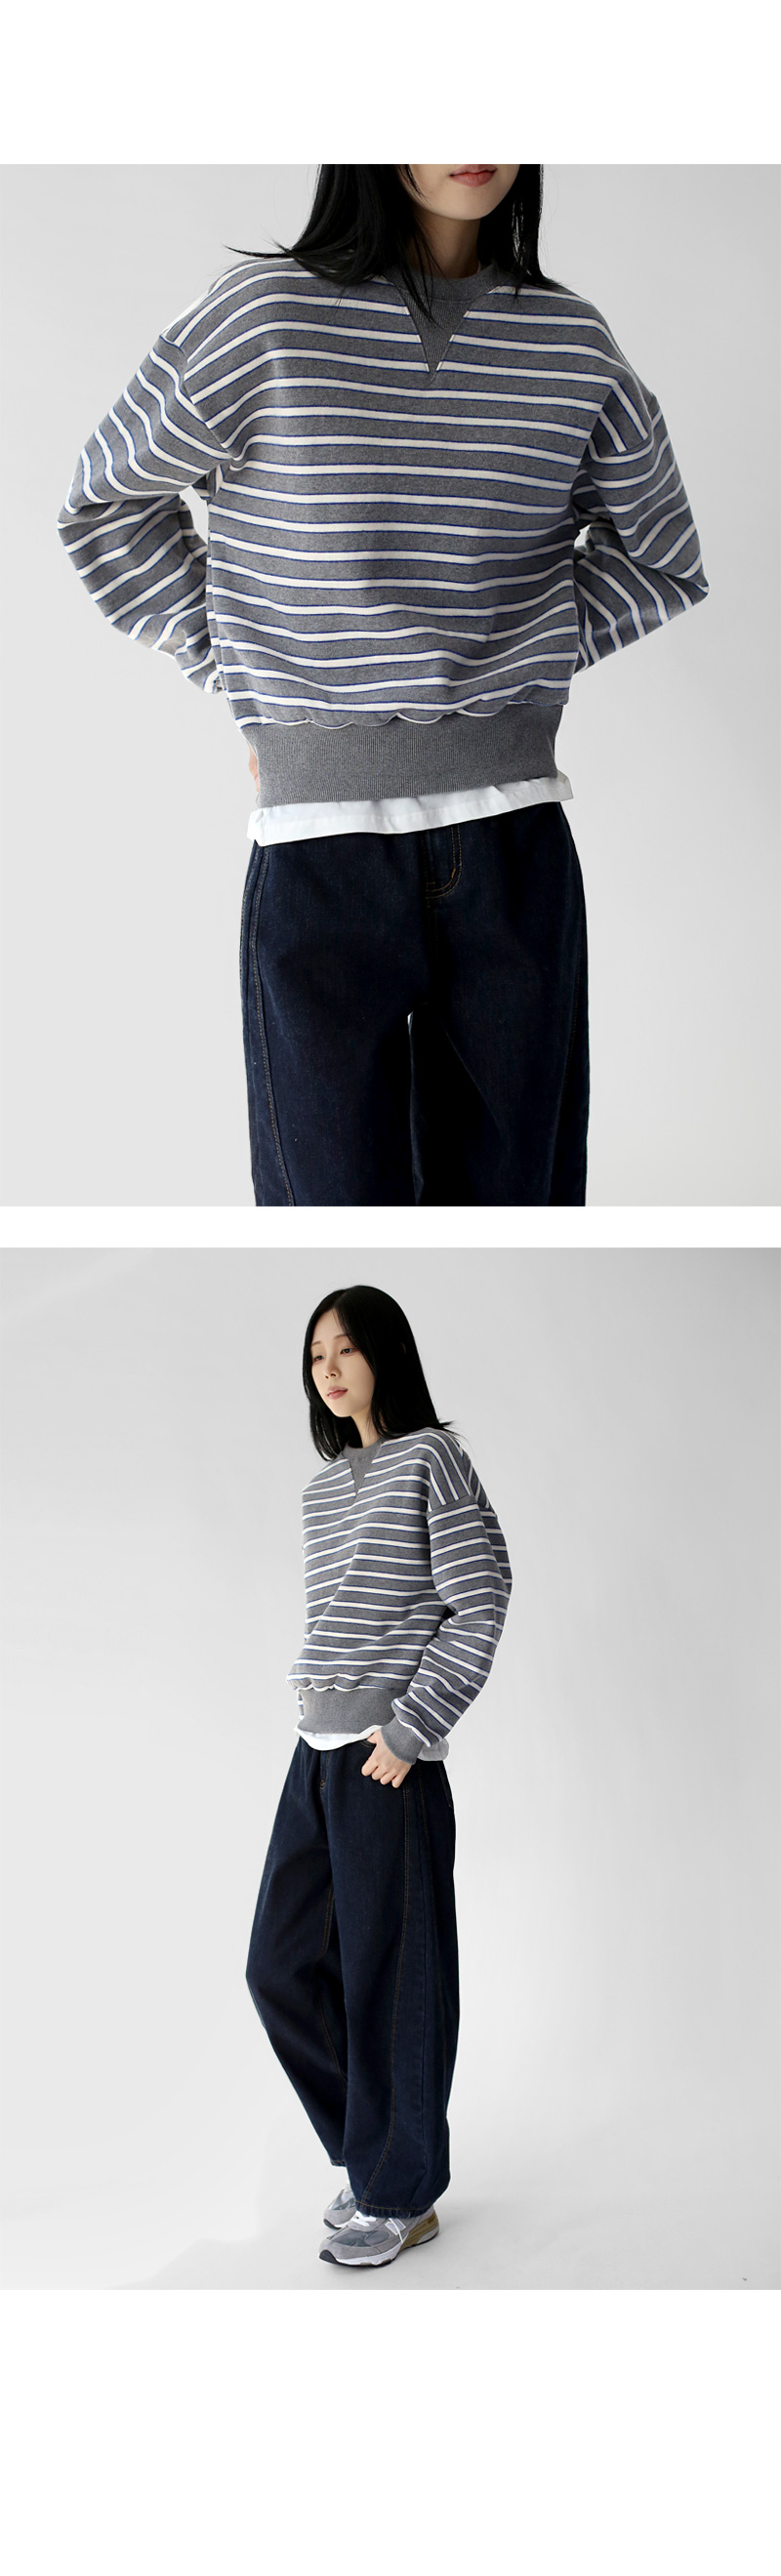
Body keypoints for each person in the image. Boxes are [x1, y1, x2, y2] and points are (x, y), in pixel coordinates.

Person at [59, 166, 707, 1207]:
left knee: (518, 1203)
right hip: (321, 851)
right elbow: (104, 503)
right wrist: (248, 672)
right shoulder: (264, 316)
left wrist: (525, 655)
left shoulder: (570, 343)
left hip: (512, 842)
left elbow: (663, 554)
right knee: (322, 1203)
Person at [244, 1286, 511, 2269]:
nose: (329, 1366)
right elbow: (340, 1618)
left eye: (347, 1347)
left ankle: (401, 2193)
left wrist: (411, 1727)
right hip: (314, 1755)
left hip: (387, 1762)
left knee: (393, 1981)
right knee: (279, 1967)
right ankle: (373, 2154)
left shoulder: (432, 1457)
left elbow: (481, 1598)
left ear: (385, 1354)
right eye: (316, 1353)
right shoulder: (321, 1491)